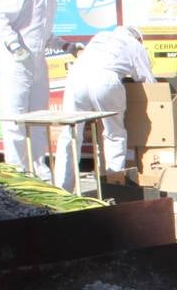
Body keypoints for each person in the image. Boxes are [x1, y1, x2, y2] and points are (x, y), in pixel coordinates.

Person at [0, 0, 80, 175]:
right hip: (14, 62)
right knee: (15, 120)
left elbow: (42, 35)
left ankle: (39, 170)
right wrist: (14, 46)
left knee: (39, 119)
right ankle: (18, 172)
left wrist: (67, 46)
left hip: (36, 62)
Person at [53, 26, 155, 192]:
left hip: (76, 78)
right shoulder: (135, 45)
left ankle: (62, 189)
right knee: (114, 134)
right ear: (138, 38)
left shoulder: (101, 36)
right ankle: (113, 185)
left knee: (70, 134)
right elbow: (147, 80)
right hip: (105, 80)